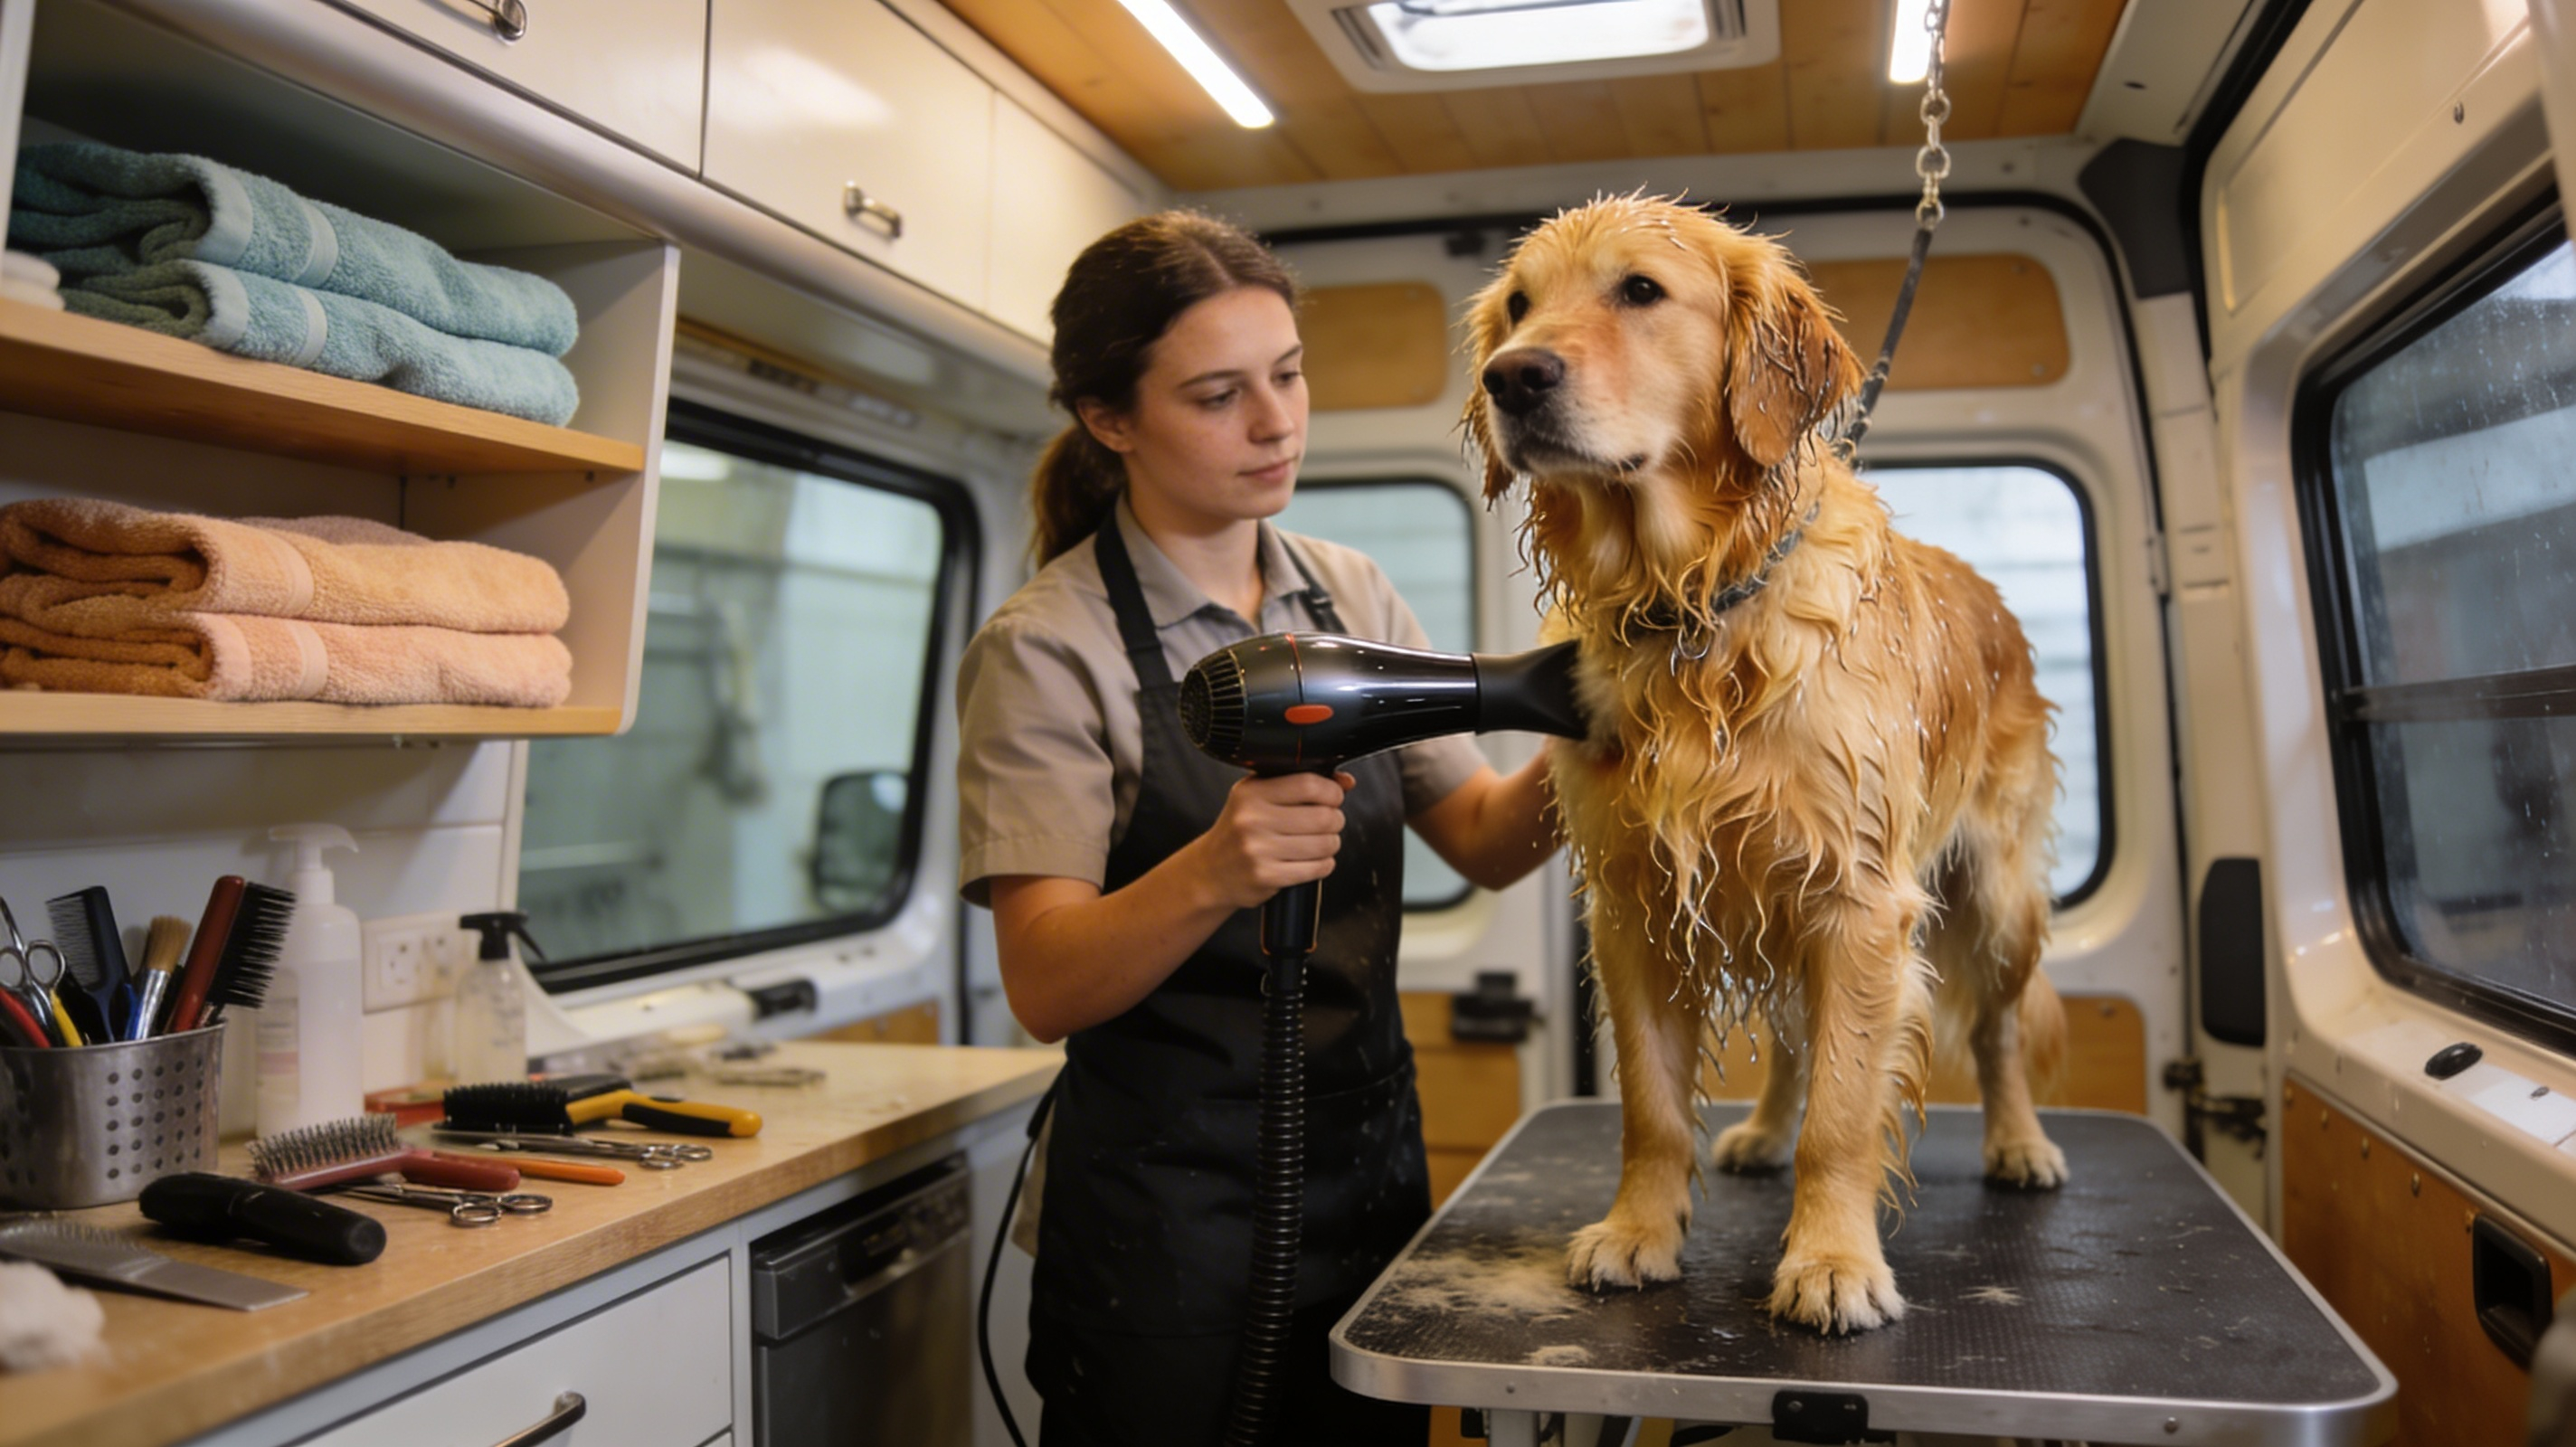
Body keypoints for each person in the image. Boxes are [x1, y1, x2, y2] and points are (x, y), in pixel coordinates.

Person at [955, 211, 1560, 1445]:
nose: (1277, 422)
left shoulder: (1349, 594)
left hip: (1372, 1177)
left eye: (1287, 376)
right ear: (1108, 419)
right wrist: (1218, 869)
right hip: (1164, 1233)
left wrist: (1616, 726)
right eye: (1219, 395)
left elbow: (1490, 839)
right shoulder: (1047, 647)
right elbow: (1045, 980)